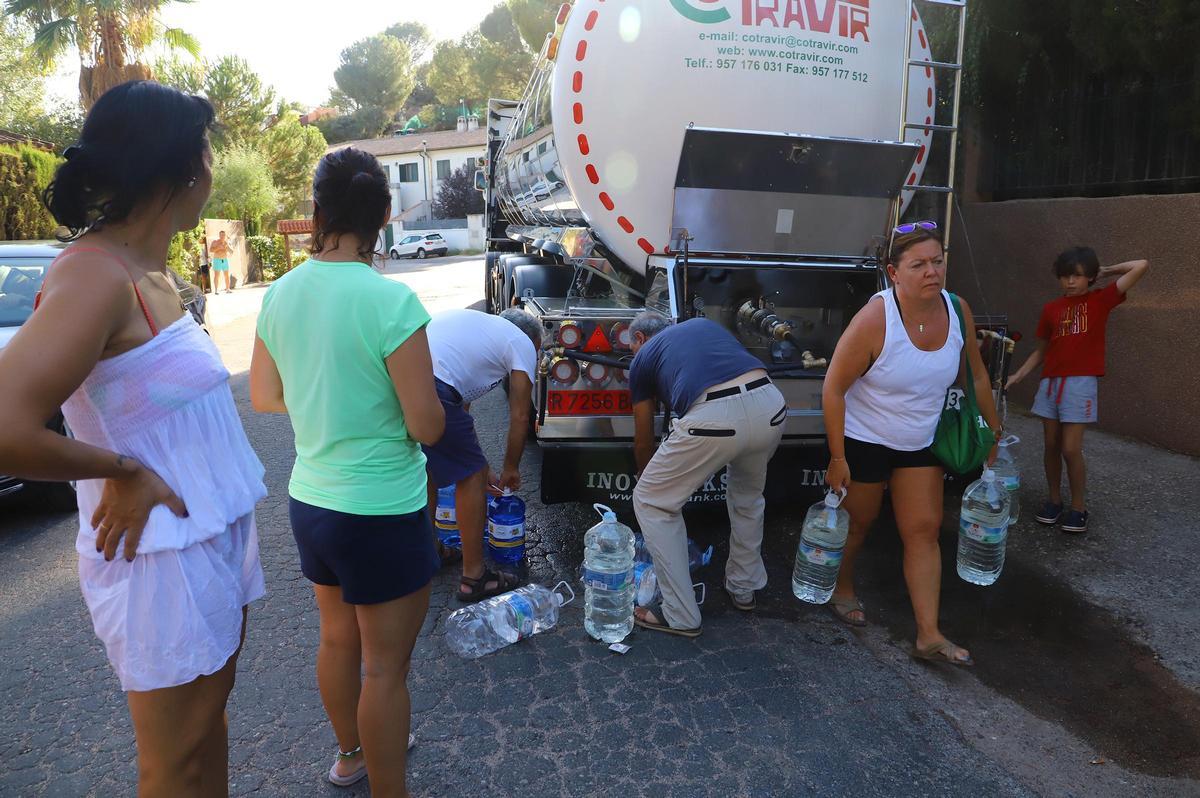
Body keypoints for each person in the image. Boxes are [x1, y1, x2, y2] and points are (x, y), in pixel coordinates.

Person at [0, 80, 267, 796]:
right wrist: (122, 470)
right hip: (155, 559)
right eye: (209, 148)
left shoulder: (153, 270)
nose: (214, 165)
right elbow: (5, 427)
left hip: (206, 534)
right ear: (182, 168)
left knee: (207, 730)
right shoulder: (93, 274)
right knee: (172, 762)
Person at [250, 146, 444, 796]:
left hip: (313, 503)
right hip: (383, 509)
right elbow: (427, 425)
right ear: (383, 217)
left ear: (317, 211)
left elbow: (263, 395)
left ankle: (350, 755)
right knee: (385, 669)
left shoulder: (279, 294)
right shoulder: (391, 302)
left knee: (338, 642)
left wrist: (323, 397)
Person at [822, 223, 1002, 667]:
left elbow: (977, 375)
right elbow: (833, 388)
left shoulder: (957, 309)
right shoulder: (875, 318)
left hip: (922, 440)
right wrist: (838, 456)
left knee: (923, 531)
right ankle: (842, 588)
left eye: (937, 261)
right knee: (859, 524)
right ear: (893, 272)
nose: (931, 271)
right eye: (918, 264)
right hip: (866, 439)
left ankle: (929, 634)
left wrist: (992, 430)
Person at [628, 311, 787, 637]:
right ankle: (744, 588)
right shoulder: (701, 326)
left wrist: (650, 477)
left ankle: (680, 614)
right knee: (747, 496)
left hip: (716, 417)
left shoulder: (642, 357)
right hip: (772, 406)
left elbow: (643, 436)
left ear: (640, 339)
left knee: (652, 501)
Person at [1006, 248, 1149, 534]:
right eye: (1065, 276)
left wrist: (1106, 271)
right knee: (1050, 446)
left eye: (1078, 275)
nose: (1070, 281)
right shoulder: (1051, 309)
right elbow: (1042, 351)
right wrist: (1019, 375)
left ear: (1090, 277)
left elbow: (1140, 265)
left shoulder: (1101, 300)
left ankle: (1078, 508)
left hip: (1080, 383)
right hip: (1050, 383)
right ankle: (1054, 501)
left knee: (1071, 448)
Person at [422, 307, 541, 601]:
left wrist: (484, 464)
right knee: (471, 477)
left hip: (406, 382)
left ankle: (429, 553)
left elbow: (461, 414)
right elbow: (521, 415)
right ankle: (474, 578)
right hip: (436, 385)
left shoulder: (480, 333)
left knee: (427, 468)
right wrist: (510, 467)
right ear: (534, 340)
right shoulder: (521, 341)